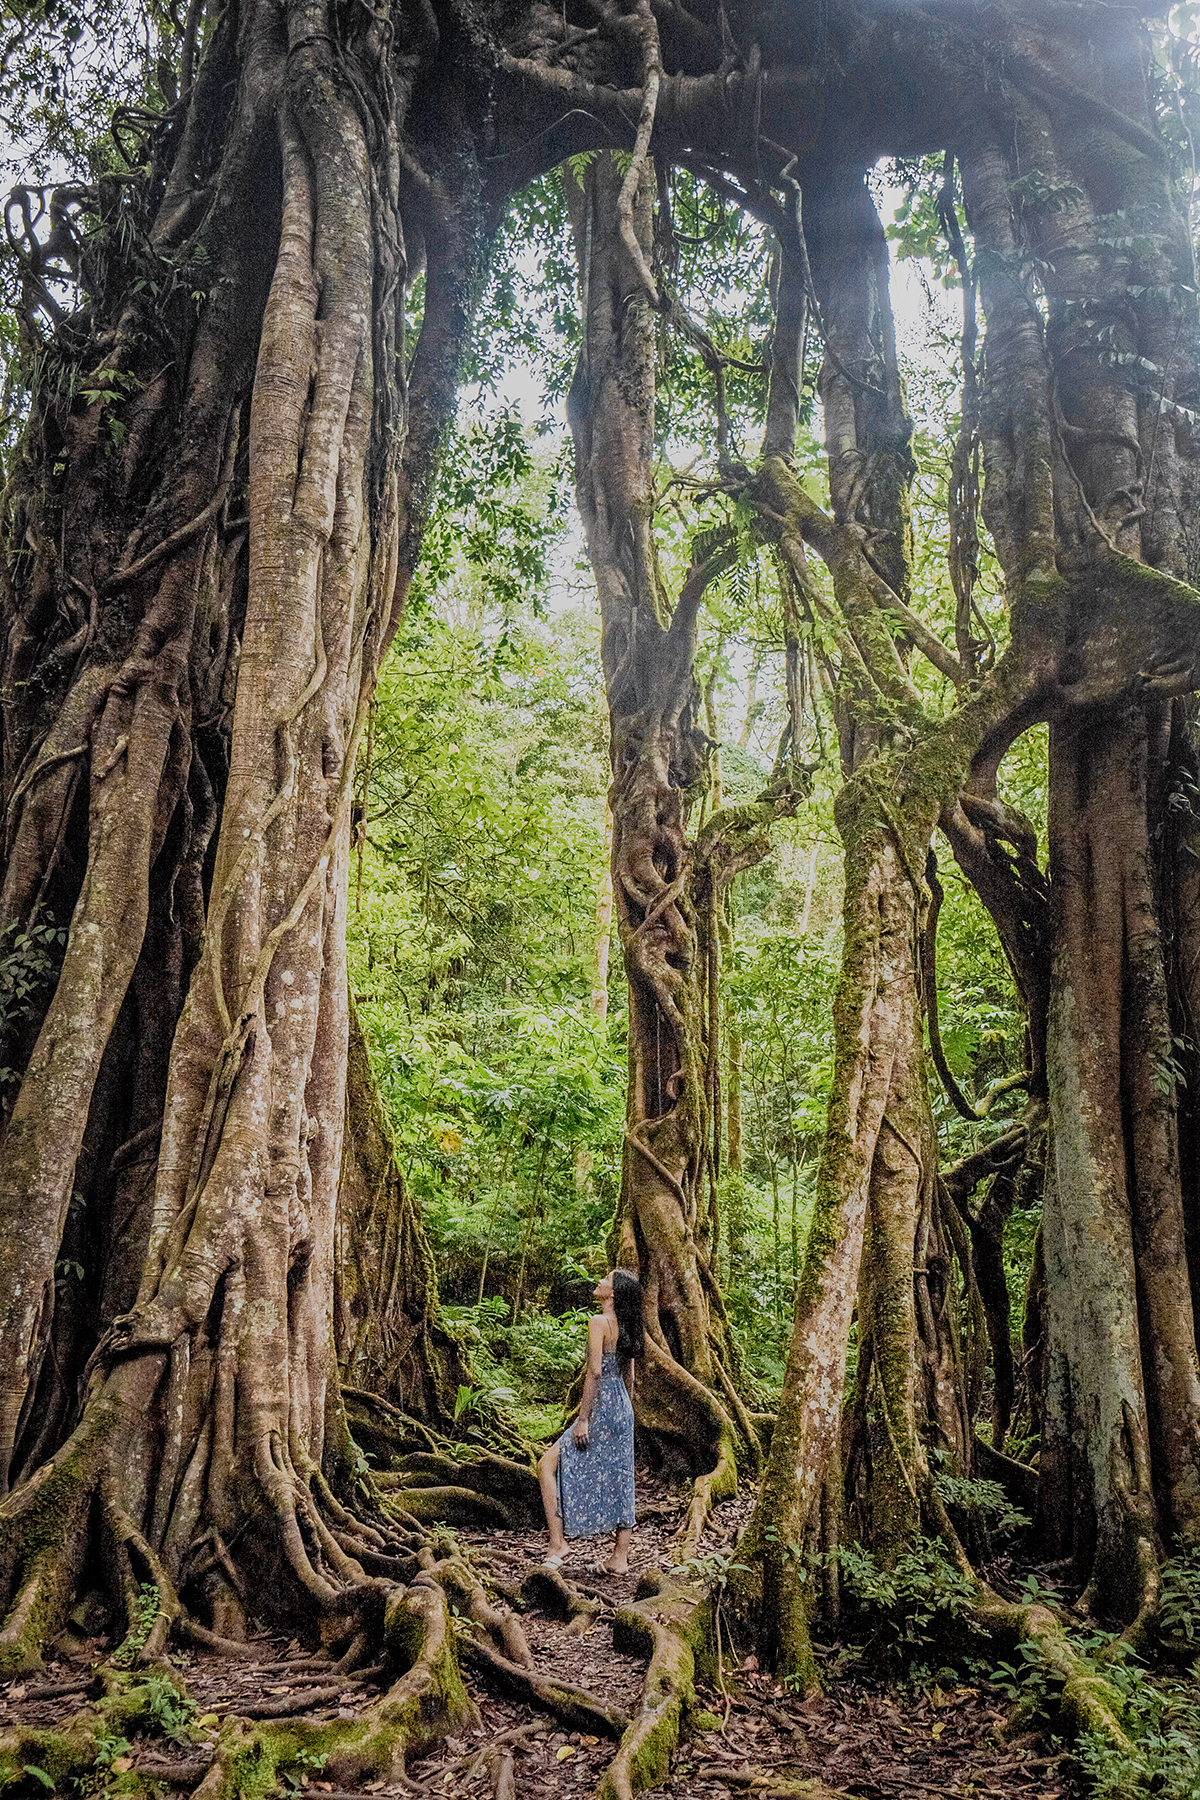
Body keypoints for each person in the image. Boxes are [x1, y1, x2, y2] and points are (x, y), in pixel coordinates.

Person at [538, 1268, 644, 1573]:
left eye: (606, 1280)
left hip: (599, 1408)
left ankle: (558, 1543)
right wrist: (623, 1412)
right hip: (622, 1408)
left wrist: (583, 1418)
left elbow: (594, 1372)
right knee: (623, 1477)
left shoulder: (599, 1322)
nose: (600, 1281)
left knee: (546, 1465)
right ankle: (620, 1557)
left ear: (614, 1292)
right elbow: (630, 1378)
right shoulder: (627, 1326)